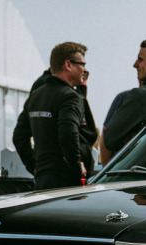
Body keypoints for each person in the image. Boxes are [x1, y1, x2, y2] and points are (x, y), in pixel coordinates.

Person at [12, 43, 89, 190]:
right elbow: (67, 132)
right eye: (82, 64)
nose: (84, 70)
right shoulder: (70, 97)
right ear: (68, 65)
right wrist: (76, 165)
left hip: (43, 179)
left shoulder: (36, 95)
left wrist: (34, 166)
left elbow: (19, 136)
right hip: (66, 181)